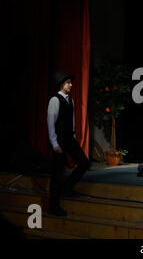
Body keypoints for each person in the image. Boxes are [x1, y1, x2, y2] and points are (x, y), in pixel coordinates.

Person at [47, 71, 90, 217]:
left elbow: (72, 120)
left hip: (69, 139)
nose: (71, 85)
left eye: (71, 82)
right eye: (68, 83)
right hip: (58, 140)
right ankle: (53, 205)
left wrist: (73, 136)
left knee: (84, 163)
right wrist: (54, 143)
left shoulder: (71, 100)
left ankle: (67, 188)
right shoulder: (54, 100)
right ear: (61, 84)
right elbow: (50, 123)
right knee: (57, 173)